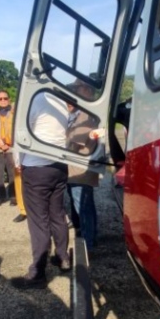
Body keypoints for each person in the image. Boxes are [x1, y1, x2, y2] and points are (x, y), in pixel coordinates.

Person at [10, 91, 72, 289]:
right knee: (58, 214)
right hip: (60, 166)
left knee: (39, 222)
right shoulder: (60, 101)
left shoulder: (31, 99)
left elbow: (20, 134)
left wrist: (18, 162)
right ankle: (62, 258)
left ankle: (37, 273)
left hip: (37, 168)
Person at [65, 81, 102, 249]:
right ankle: (89, 236)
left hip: (80, 167)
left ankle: (89, 243)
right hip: (77, 167)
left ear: (87, 90)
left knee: (84, 207)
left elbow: (76, 139)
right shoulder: (82, 112)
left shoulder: (87, 114)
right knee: (83, 204)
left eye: (78, 87)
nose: (74, 91)